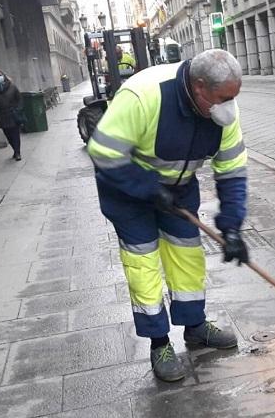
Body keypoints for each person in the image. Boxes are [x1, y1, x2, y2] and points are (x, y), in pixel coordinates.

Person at [87, 49, 249, 382]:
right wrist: (147, 187)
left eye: (234, 97)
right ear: (199, 86)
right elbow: (103, 150)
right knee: (143, 265)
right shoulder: (144, 95)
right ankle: (159, 343)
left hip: (178, 190)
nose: (230, 106)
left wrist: (232, 228)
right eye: (223, 98)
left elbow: (231, 169)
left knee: (188, 257)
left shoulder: (222, 111)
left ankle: (194, 326)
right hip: (129, 191)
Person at [0, 70, 24, 161]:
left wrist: (18, 109)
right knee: (8, 136)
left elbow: (19, 99)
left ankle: (18, 152)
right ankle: (15, 150)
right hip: (1, 116)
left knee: (15, 134)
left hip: (13, 114)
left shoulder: (12, 87)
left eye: (0, 75)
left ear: (4, 76)